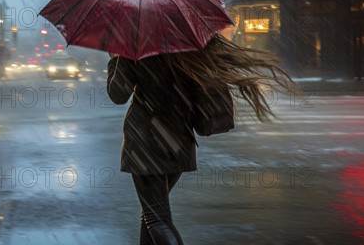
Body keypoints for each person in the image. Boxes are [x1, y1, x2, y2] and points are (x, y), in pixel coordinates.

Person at [107, 33, 297, 245]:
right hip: (178, 141)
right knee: (152, 213)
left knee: (156, 218)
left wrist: (115, 59)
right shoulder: (189, 47)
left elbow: (117, 95)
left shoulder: (136, 48)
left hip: (145, 143)